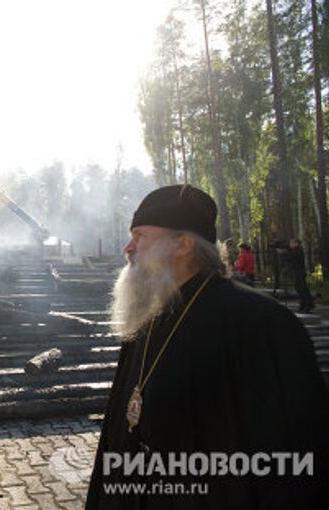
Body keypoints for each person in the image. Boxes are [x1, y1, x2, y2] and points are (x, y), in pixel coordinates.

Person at [85, 185, 329, 509]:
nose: (129, 248)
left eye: (141, 236)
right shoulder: (147, 319)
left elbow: (296, 460)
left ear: (183, 244)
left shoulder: (260, 323)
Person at [282, 238, 313, 313]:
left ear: (296, 243)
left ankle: (307, 304)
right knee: (300, 288)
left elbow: (289, 258)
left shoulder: (298, 250)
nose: (290, 244)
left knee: (302, 289)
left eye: (291, 243)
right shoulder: (297, 250)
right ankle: (305, 304)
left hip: (299, 272)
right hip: (298, 272)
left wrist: (282, 253)